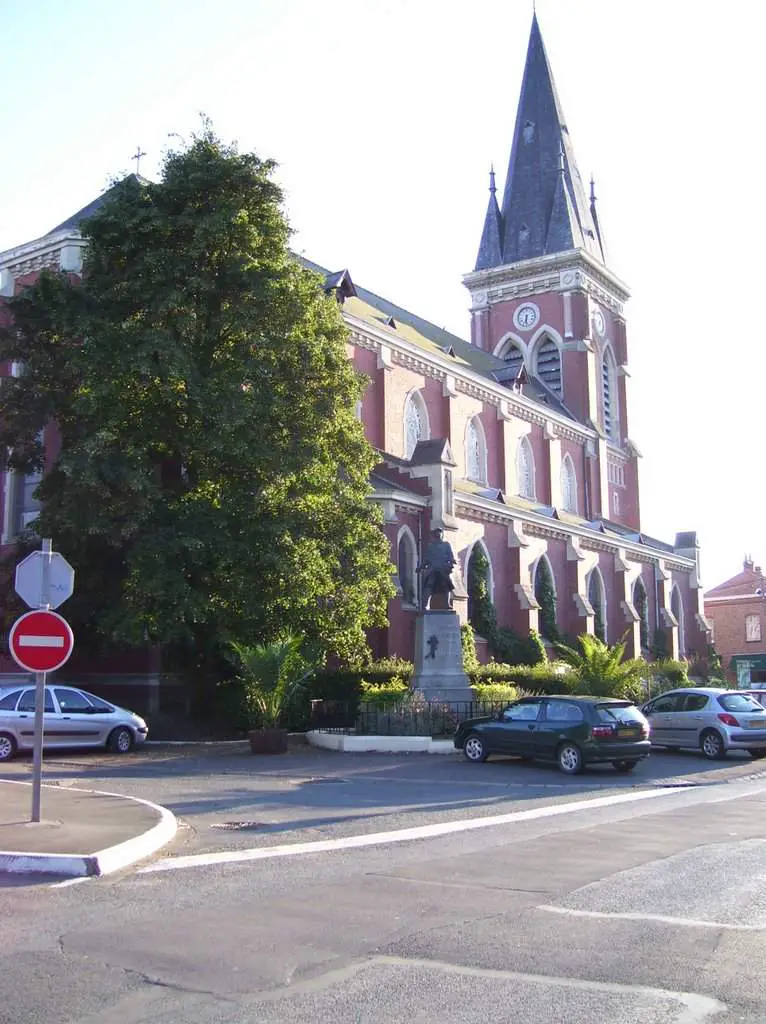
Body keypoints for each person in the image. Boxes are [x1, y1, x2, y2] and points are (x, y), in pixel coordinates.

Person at [418, 528, 456, 609]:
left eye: (440, 533)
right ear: (434, 535)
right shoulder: (431, 546)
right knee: (429, 587)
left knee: (447, 587)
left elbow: (450, 556)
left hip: (443, 570)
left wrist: (451, 562)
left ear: (442, 535)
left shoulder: (446, 545)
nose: (438, 534)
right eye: (436, 533)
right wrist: (420, 567)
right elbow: (427, 559)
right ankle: (425, 605)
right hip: (432, 570)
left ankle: (447, 604)